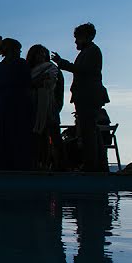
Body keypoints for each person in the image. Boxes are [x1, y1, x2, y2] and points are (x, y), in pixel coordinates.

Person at [52, 23, 110, 172]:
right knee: (91, 131)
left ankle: (92, 166)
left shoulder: (92, 51)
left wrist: (62, 63)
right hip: (87, 96)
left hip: (88, 97)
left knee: (88, 132)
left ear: (86, 37)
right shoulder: (89, 51)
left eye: (77, 38)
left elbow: (82, 70)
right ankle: (97, 165)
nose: (76, 41)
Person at [0, 39, 33, 170]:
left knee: (6, 132)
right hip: (20, 101)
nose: (20, 52)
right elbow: (27, 82)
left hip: (4, 102)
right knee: (20, 133)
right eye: (18, 49)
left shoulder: (0, 66)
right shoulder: (21, 63)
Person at [27, 44, 63, 170]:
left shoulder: (53, 69)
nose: (41, 56)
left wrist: (56, 106)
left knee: (54, 136)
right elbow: (29, 85)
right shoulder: (29, 71)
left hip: (50, 107)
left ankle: (60, 166)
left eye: (43, 54)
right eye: (38, 53)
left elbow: (58, 90)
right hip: (34, 107)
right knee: (38, 138)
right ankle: (39, 164)